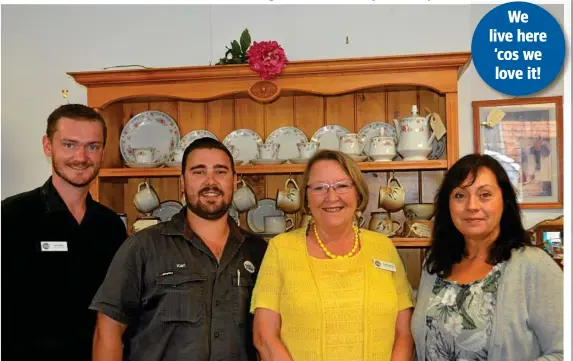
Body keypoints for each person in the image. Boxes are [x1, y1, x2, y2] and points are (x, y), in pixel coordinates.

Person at [90, 137, 268, 361]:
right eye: (198, 172)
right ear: (182, 183)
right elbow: (108, 330)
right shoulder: (143, 247)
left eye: (220, 172)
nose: (210, 181)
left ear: (234, 181)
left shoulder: (258, 251)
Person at [252, 149, 414, 361]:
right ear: (307, 198)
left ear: (358, 193)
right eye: (319, 187)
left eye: (342, 186)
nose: (331, 197)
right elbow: (265, 336)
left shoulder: (383, 247)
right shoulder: (281, 249)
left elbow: (404, 334)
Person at [1, 104, 128, 360]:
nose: (81, 157)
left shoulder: (111, 225)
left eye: (92, 146)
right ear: (48, 146)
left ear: (103, 151)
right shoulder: (11, 216)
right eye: (69, 144)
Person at [411, 154, 563, 361]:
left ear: (505, 201)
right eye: (460, 196)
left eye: (484, 194)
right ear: (447, 205)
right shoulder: (434, 263)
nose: (472, 206)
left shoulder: (533, 266)